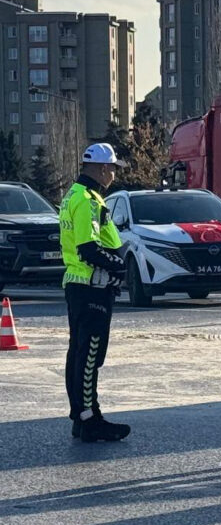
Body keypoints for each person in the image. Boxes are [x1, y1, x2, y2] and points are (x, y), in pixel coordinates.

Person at [59, 143, 130, 442]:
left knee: (79, 353)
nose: (114, 174)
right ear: (102, 169)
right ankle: (90, 419)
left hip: (79, 285)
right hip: (92, 286)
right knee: (89, 356)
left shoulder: (72, 195)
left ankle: (81, 416)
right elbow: (88, 248)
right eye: (113, 168)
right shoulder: (88, 200)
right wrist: (120, 266)